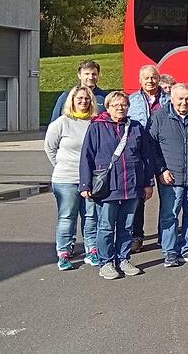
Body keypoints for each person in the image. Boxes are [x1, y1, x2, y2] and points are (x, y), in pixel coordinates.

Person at [78, 91, 155, 280]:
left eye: (124, 105)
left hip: (132, 184)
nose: (120, 108)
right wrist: (85, 184)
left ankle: (123, 258)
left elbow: (146, 156)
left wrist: (148, 182)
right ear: (108, 107)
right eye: (116, 105)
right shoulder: (97, 127)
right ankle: (105, 262)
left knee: (127, 226)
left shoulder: (135, 127)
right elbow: (86, 156)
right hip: (108, 186)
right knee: (106, 226)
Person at [148, 83, 188, 267]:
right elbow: (151, 147)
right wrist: (161, 170)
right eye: (180, 99)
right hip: (171, 177)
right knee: (169, 215)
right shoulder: (158, 117)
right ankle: (170, 252)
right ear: (171, 98)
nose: (184, 103)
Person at [45, 86, 100, 270]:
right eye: (80, 99)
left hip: (90, 179)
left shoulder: (96, 122)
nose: (83, 102)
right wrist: (62, 165)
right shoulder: (61, 123)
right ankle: (64, 253)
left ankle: (92, 251)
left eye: (87, 99)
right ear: (72, 101)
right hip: (66, 179)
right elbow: (50, 148)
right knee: (67, 217)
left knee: (91, 216)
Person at [126, 64, 170, 254]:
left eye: (153, 77)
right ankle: (137, 236)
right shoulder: (131, 100)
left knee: (169, 198)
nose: (150, 81)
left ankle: (165, 236)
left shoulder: (170, 99)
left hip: (165, 154)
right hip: (141, 156)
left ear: (158, 79)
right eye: (146, 78)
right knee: (139, 199)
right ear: (140, 80)